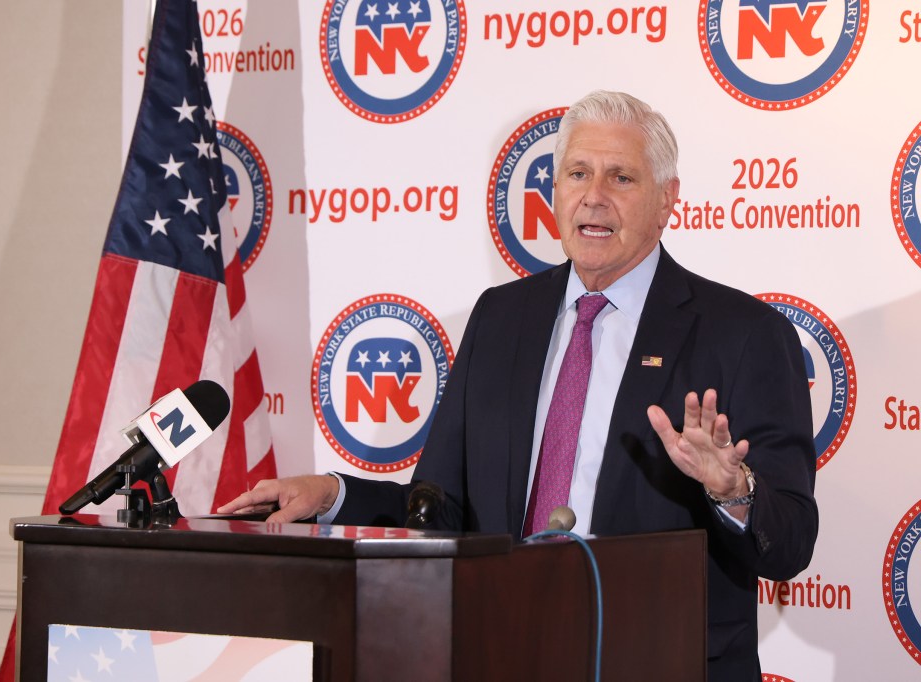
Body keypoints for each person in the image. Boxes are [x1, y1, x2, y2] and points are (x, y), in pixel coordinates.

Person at [219, 90, 818, 680]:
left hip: (659, 661)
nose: (594, 196)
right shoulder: (500, 317)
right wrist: (333, 495)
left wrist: (733, 492)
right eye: (577, 173)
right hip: (501, 649)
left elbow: (790, 544)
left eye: (621, 178)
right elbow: (439, 507)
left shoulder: (744, 334)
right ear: (554, 192)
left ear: (667, 200)